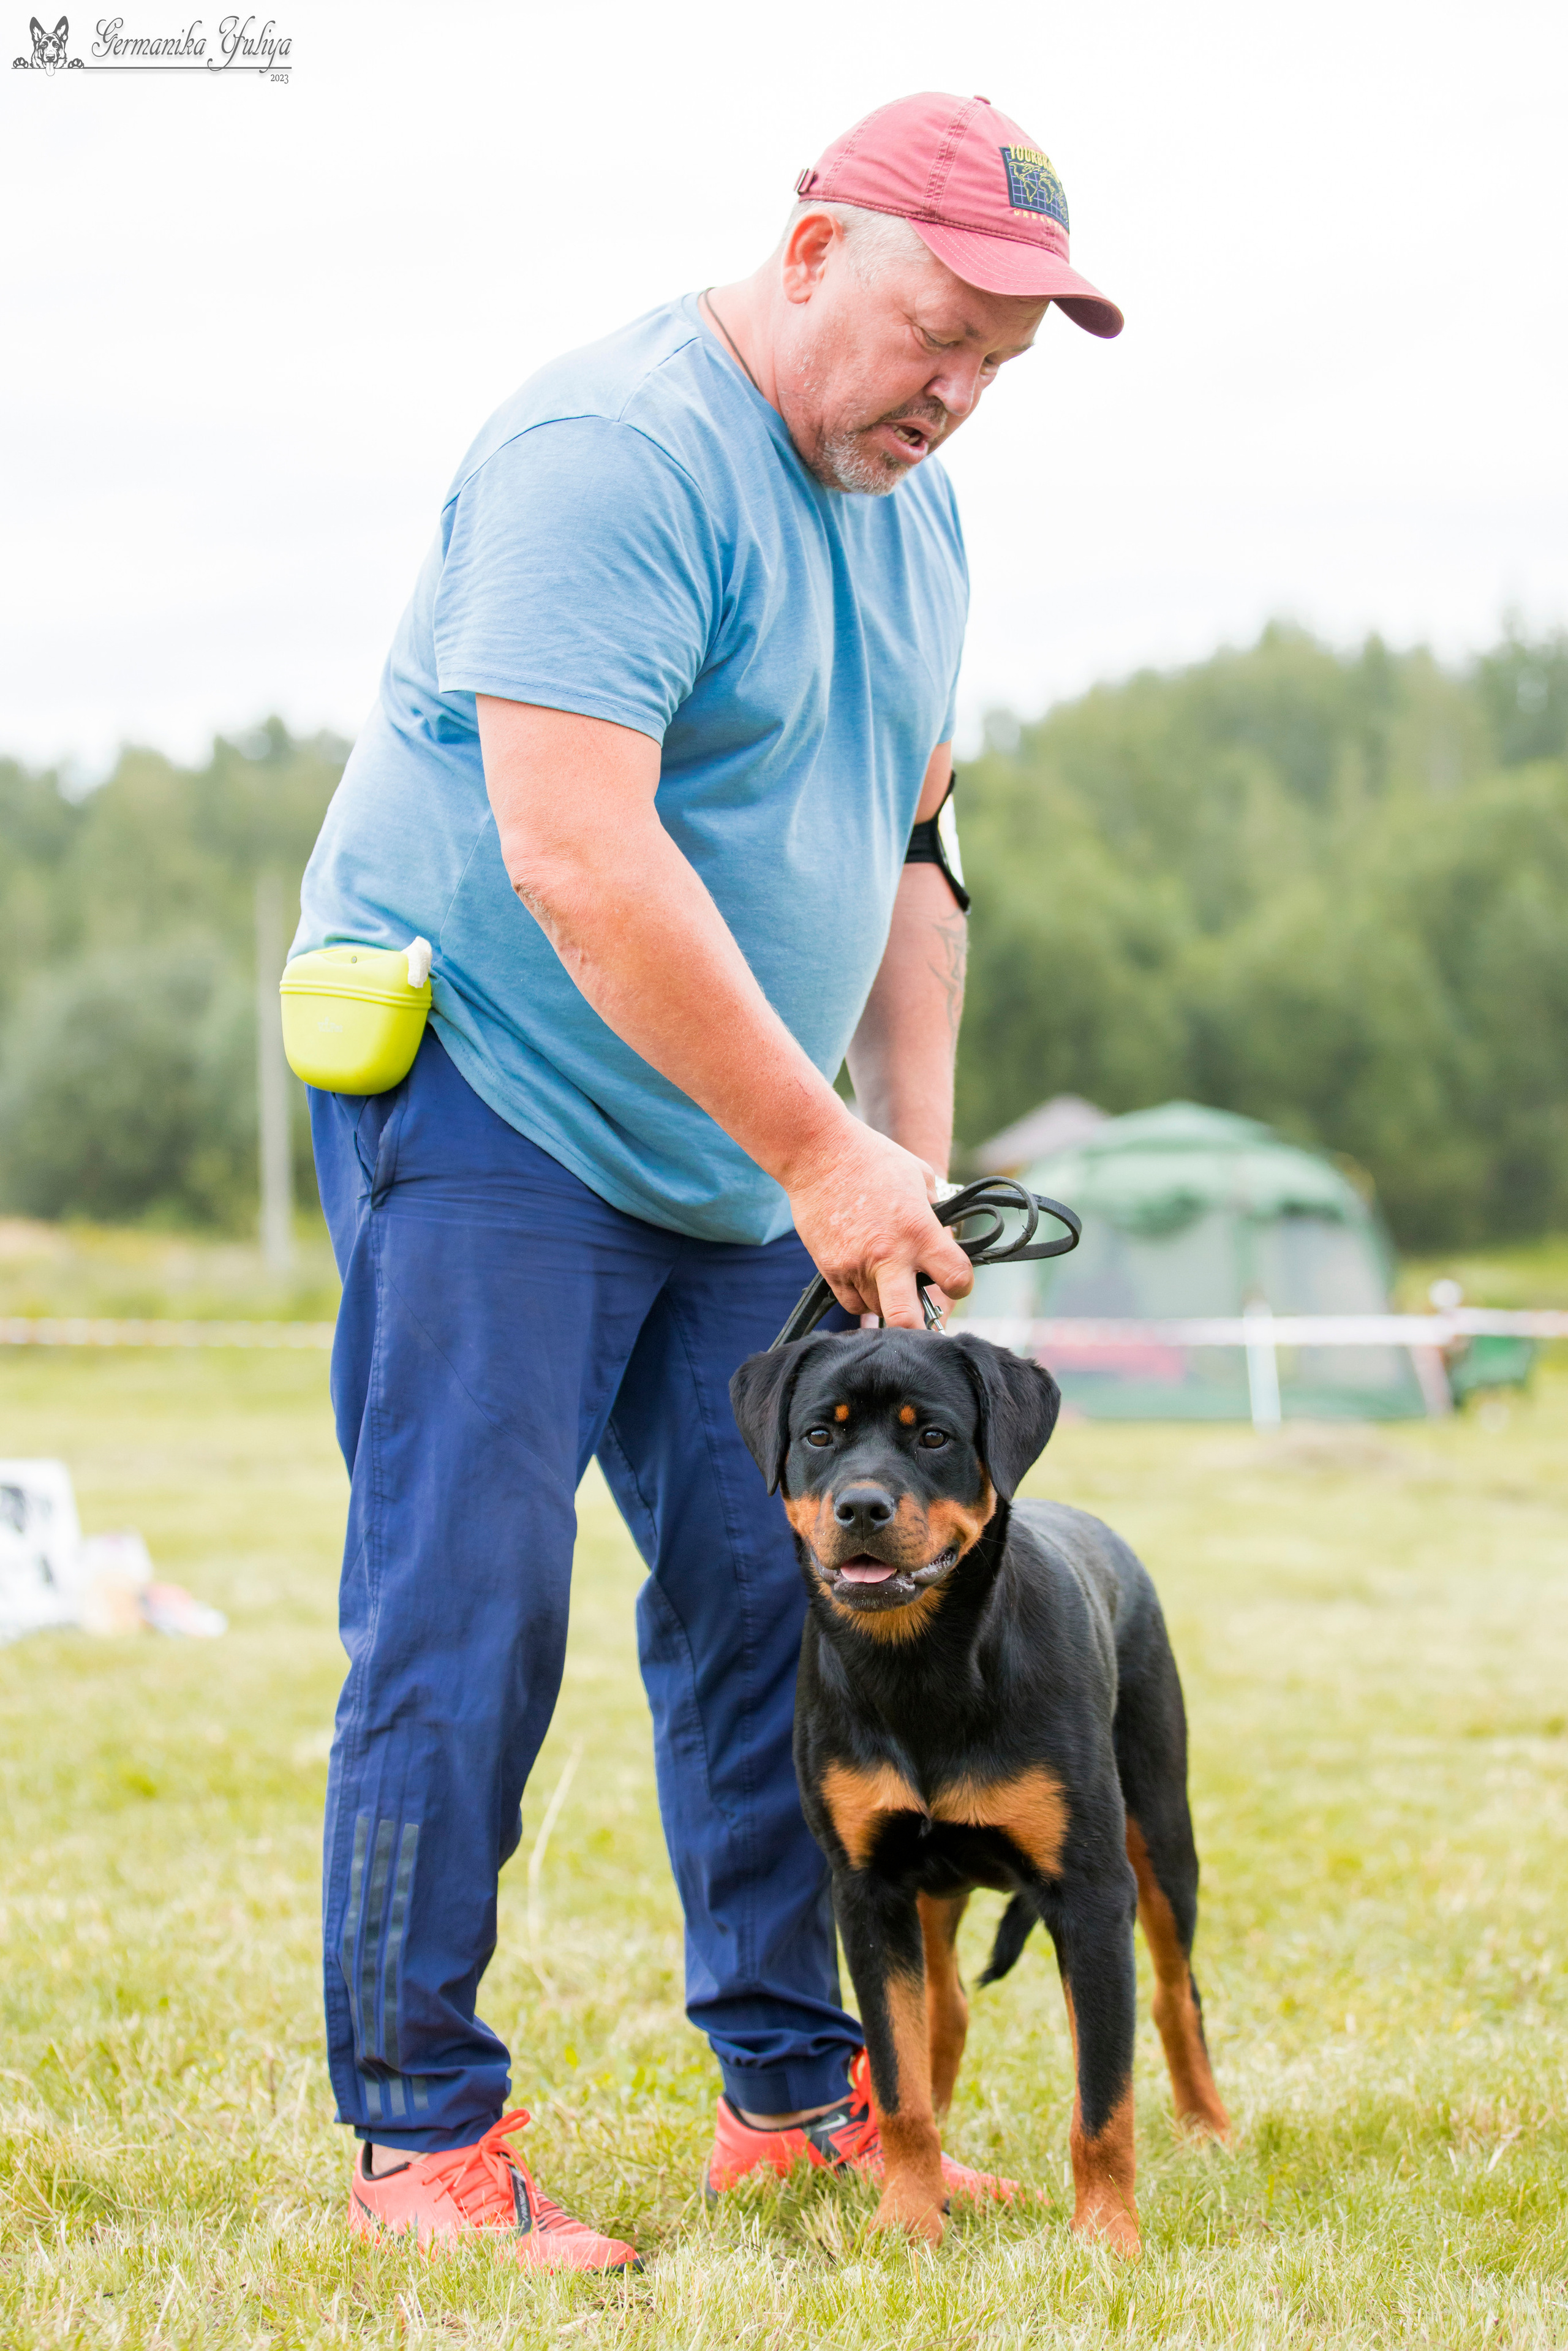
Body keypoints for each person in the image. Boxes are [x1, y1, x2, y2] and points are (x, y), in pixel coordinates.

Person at [295, 88, 1121, 2268]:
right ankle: (423, 2149)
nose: (953, 398)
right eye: (937, 330)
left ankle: (797, 2091)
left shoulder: (921, 519)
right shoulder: (615, 458)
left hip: (743, 1148)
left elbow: (915, 852)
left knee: (788, 1602)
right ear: (816, 240)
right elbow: (579, 856)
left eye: (997, 371)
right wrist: (817, 1148)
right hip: (491, 1088)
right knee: (469, 1610)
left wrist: (902, 1159)